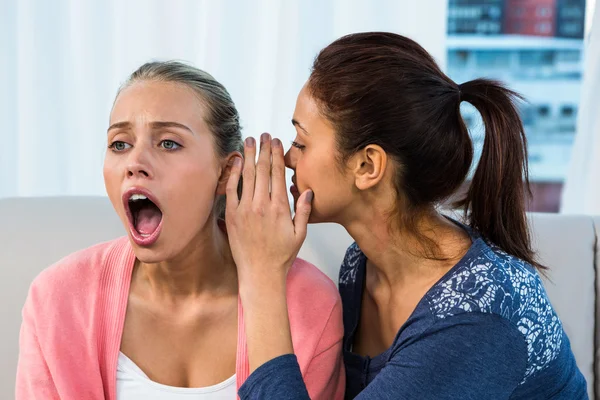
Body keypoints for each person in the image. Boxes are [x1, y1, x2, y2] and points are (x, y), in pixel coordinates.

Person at [225, 32, 589, 399]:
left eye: (301, 143)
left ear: (368, 165)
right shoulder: (362, 265)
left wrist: (261, 274)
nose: (287, 158)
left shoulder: (475, 318)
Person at [16, 61, 345, 400]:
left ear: (225, 173)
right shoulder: (56, 301)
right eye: (119, 144)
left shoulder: (309, 304)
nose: (134, 163)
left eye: (169, 143)